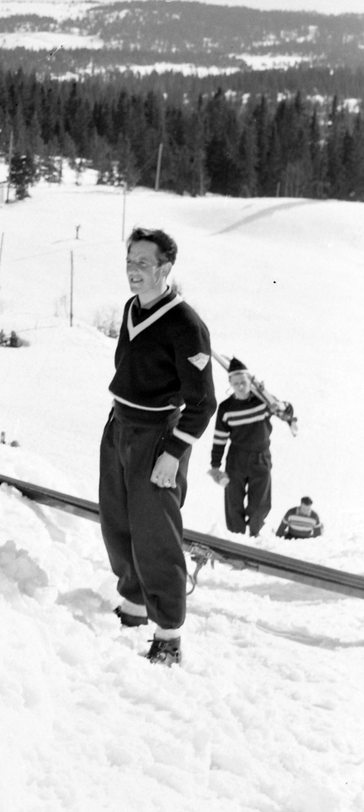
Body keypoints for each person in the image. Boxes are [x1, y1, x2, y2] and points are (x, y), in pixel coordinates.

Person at [99, 227, 216, 667]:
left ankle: (168, 632)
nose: (133, 271)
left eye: (143, 263)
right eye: (130, 261)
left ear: (166, 268)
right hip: (120, 426)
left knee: (155, 535)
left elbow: (203, 402)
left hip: (156, 437)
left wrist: (174, 452)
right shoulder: (133, 308)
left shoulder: (186, 324)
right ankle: (133, 606)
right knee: (117, 522)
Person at [208, 357, 274, 537]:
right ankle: (236, 539)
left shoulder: (263, 402)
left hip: (261, 457)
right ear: (230, 383)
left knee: (260, 502)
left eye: (243, 382)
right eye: (236, 383)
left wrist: (286, 411)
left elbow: (284, 410)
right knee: (233, 501)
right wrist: (215, 466)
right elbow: (220, 439)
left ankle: (254, 534)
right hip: (236, 457)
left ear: (249, 382)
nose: (240, 386)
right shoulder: (226, 408)